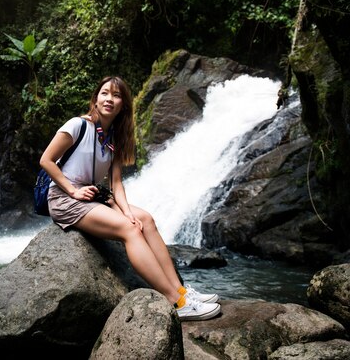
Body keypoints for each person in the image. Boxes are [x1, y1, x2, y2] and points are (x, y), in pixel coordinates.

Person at [39, 76, 221, 321]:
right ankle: (175, 302)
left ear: (123, 104)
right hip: (65, 199)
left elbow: (116, 183)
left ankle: (181, 290)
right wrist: (73, 190)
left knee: (144, 219)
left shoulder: (113, 137)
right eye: (104, 93)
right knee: (130, 230)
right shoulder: (77, 125)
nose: (109, 99)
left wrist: (126, 211)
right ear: (95, 98)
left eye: (116, 95)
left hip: (92, 197)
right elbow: (46, 161)